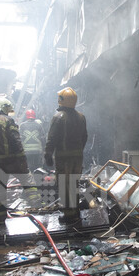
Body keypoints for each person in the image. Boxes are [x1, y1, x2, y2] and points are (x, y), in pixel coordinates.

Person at [44, 87, 87, 225]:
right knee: (74, 184)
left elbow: (52, 138)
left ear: (62, 100)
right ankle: (75, 212)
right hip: (77, 158)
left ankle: (69, 216)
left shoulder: (58, 117)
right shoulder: (81, 117)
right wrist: (79, 151)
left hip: (63, 158)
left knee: (64, 185)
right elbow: (84, 137)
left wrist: (48, 154)